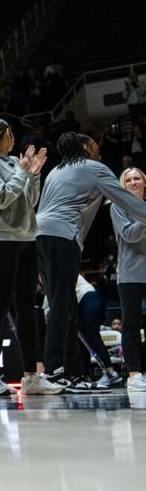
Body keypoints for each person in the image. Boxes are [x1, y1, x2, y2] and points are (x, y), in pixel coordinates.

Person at [36, 133, 146, 389]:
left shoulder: (55, 171)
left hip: (41, 236)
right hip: (62, 237)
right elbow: (126, 199)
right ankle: (53, 371)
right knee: (62, 306)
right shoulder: (93, 168)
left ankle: (73, 374)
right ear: (85, 148)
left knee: (65, 306)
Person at [0, 120, 63, 396]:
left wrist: (33, 176)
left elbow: (29, 200)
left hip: (25, 238)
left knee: (26, 308)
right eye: (10, 133)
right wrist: (23, 174)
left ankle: (31, 376)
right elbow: (0, 198)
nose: (14, 138)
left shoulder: (13, 162)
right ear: (4, 135)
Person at [115, 168, 146, 392]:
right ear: (123, 185)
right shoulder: (118, 206)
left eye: (137, 178)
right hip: (130, 273)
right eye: (129, 179)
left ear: (144, 183)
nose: (133, 182)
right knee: (131, 326)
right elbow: (129, 234)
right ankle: (134, 375)